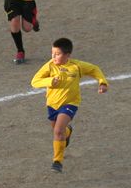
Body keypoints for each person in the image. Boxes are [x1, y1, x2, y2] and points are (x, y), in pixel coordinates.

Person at [30, 37, 109, 173]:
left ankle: (57, 161)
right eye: (52, 53)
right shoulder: (49, 66)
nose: (53, 57)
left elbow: (94, 69)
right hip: (52, 104)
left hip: (70, 103)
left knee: (57, 131)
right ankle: (68, 131)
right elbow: (35, 81)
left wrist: (102, 82)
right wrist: (49, 81)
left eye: (57, 54)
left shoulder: (76, 66)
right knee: (59, 131)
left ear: (67, 55)